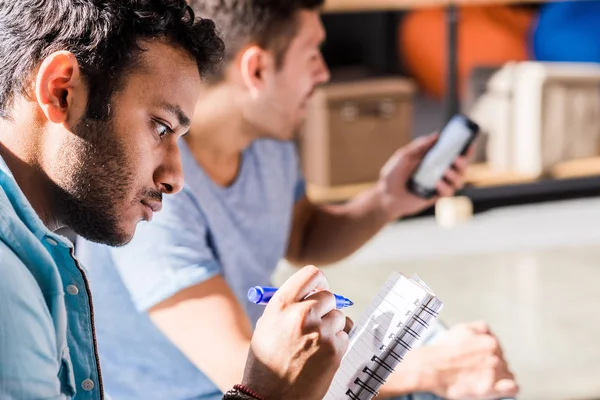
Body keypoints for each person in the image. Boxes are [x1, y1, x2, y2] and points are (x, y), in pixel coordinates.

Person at [77, 0, 520, 399]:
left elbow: (304, 235)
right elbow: (244, 373)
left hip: (267, 382)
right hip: (229, 390)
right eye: (312, 55)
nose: (324, 73)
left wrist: (389, 199)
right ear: (257, 71)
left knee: (447, 357)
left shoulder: (269, 142)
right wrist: (426, 370)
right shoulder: (155, 185)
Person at [0, 1, 353, 399]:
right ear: (61, 91)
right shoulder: (7, 287)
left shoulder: (36, 249)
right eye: (161, 128)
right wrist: (269, 393)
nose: (176, 178)